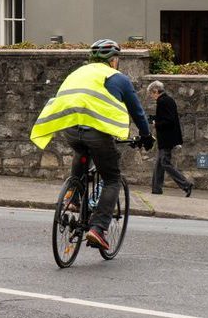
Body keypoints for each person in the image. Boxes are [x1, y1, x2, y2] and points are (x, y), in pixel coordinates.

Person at [30, 38, 154, 254]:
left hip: (70, 129)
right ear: (113, 60)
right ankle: (98, 228)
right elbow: (137, 112)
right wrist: (146, 136)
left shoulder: (77, 73)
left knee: (82, 152)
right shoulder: (118, 78)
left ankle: (74, 196)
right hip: (97, 134)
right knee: (112, 179)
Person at [146, 80, 194, 197]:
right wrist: (155, 118)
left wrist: (156, 123)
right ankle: (156, 189)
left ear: (156, 91)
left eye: (151, 94)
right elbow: (167, 117)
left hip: (167, 138)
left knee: (164, 162)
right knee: (159, 163)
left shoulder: (162, 101)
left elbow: (168, 121)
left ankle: (186, 184)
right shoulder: (168, 100)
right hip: (169, 137)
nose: (151, 97)